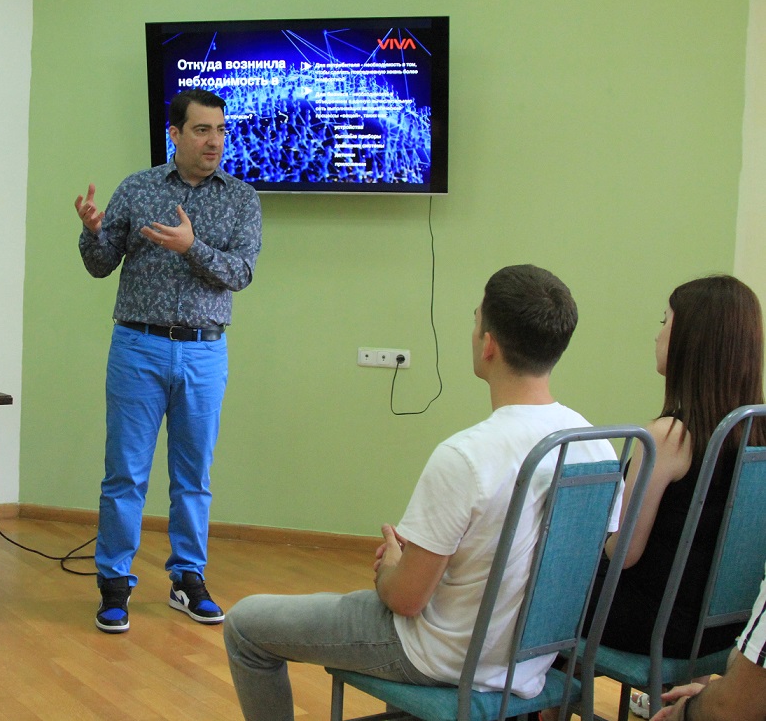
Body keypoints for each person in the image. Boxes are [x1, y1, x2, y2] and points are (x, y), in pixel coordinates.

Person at [224, 264, 620, 721]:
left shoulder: (466, 455)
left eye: (475, 321)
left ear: (489, 344)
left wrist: (391, 566)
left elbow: (406, 600)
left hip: (441, 657)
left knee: (245, 625)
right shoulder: (596, 445)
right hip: (527, 664)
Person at [75, 88, 263, 633]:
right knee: (125, 473)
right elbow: (101, 265)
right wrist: (91, 232)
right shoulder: (137, 188)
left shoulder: (242, 198)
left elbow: (241, 273)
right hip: (138, 346)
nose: (214, 141)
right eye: (202, 130)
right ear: (175, 134)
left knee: (193, 476)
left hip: (205, 351)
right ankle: (114, 586)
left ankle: (187, 578)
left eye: (221, 130)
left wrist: (191, 248)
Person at [591, 276, 764, 659]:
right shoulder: (758, 431)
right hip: (732, 629)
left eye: (664, 321)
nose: (657, 335)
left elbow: (624, 553)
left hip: (659, 627)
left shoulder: (669, 436)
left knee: (540, 588)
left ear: (692, 340)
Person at [648, 561, 766, 721]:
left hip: (678, 633)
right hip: (720, 634)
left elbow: (732, 708)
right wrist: (706, 699)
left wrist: (685, 712)